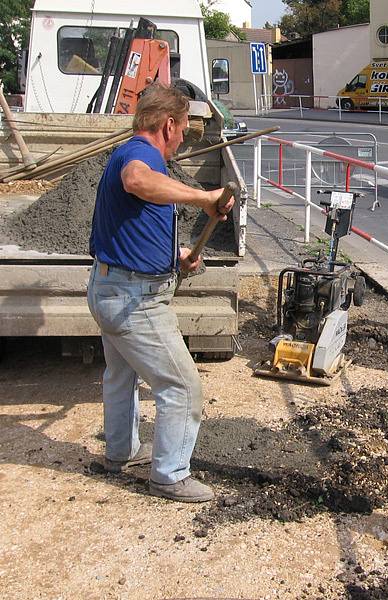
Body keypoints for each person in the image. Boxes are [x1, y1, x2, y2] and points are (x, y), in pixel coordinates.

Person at [87, 84, 233, 503]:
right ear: (169, 125)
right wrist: (204, 196)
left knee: (120, 377)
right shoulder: (142, 157)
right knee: (183, 386)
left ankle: (120, 455)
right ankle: (169, 475)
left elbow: (134, 222)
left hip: (110, 287)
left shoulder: (132, 152)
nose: (183, 139)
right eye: (185, 130)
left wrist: (176, 255)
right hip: (133, 299)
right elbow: (137, 181)